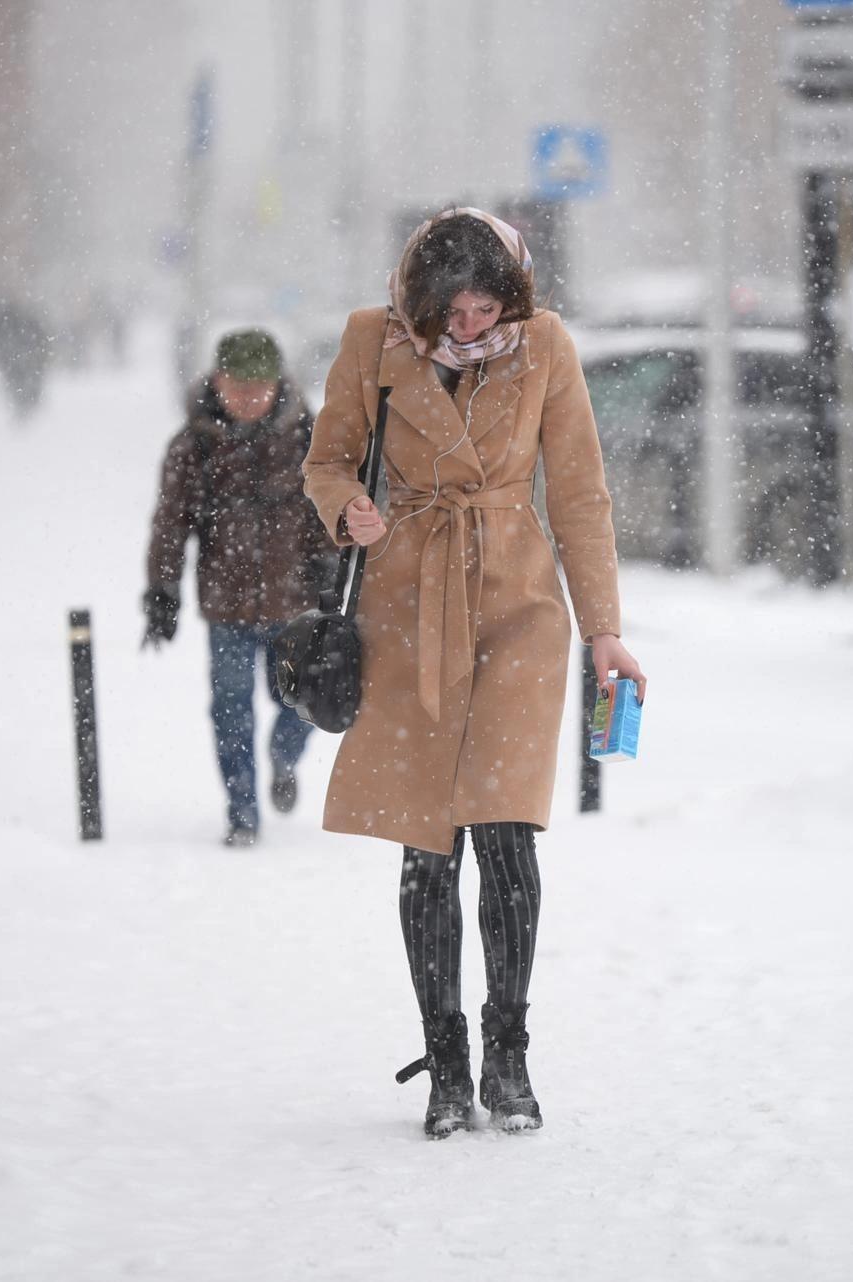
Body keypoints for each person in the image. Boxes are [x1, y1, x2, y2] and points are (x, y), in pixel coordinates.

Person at [303, 209, 647, 1138]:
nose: (465, 327)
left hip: (516, 607)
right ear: (420, 301)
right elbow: (328, 461)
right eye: (448, 311)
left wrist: (603, 629)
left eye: (483, 307)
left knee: (506, 834)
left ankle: (509, 1052)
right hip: (408, 603)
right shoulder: (372, 341)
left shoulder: (544, 347)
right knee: (428, 844)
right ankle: (445, 1061)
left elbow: (578, 492)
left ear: (513, 295)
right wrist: (348, 514)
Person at [144, 328, 335, 847]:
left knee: (304, 700)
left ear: (278, 385)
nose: (248, 398)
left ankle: (282, 755)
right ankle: (242, 812)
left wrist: (328, 566)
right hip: (225, 605)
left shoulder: (307, 439)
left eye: (259, 387)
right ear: (218, 382)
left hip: (293, 603)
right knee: (229, 709)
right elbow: (169, 524)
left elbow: (327, 507)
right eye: (237, 386)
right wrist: (162, 591)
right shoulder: (194, 446)